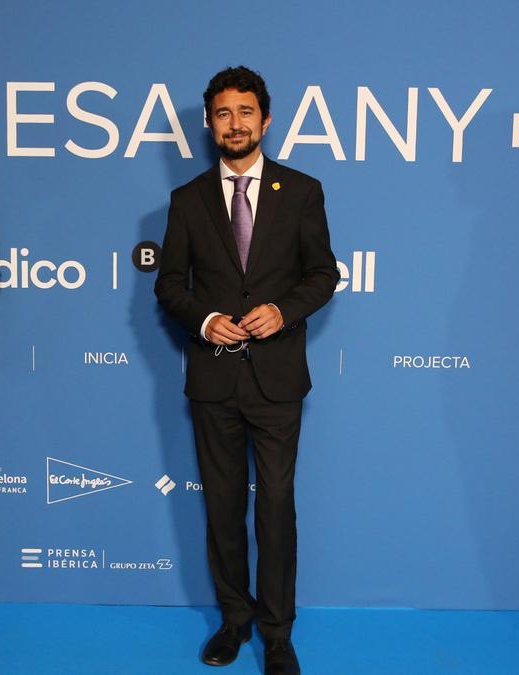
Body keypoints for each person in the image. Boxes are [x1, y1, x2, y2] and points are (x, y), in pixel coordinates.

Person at [155, 66, 337, 675]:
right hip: (212, 378)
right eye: (223, 114)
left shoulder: (303, 191)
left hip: (277, 380)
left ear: (266, 119)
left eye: (245, 112)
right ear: (210, 124)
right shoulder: (186, 200)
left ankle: (277, 631)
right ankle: (234, 620)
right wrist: (204, 321)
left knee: (277, 504)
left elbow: (323, 275)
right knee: (224, 506)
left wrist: (282, 311)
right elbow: (169, 286)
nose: (235, 124)